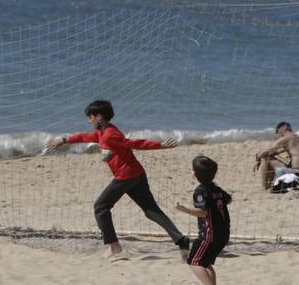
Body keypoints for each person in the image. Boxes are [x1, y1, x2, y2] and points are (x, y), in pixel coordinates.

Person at [45, 99, 190, 261]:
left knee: (100, 207)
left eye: (90, 117)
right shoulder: (103, 132)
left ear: (99, 117)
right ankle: (181, 240)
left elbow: (134, 143)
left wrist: (160, 145)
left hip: (126, 176)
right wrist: (64, 140)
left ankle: (115, 247)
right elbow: (84, 136)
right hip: (136, 174)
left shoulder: (109, 135)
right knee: (151, 211)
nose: (89, 120)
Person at [174, 154, 232, 284]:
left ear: (195, 174)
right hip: (223, 232)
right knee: (204, 263)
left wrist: (184, 209)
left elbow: (202, 213)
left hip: (209, 235)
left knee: (194, 262)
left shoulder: (200, 191)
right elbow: (229, 199)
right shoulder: (216, 188)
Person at [252, 121, 299, 190]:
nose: (279, 136)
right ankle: (271, 183)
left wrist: (258, 157)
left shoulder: (287, 138)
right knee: (271, 156)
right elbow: (275, 152)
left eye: (278, 133)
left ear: (283, 129)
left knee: (265, 158)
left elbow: (267, 150)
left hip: (296, 172)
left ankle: (265, 187)